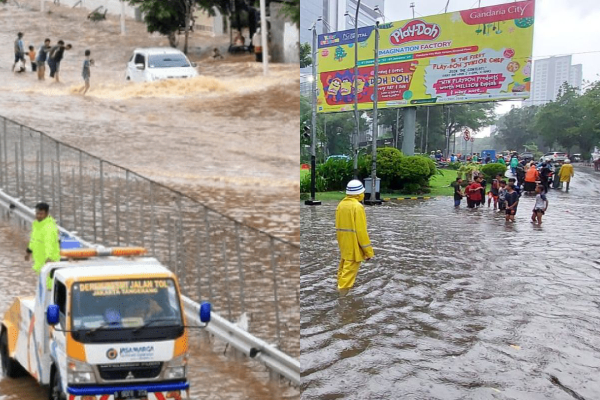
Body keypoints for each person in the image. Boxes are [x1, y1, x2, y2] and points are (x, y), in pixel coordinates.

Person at [335, 180, 374, 293]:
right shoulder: (357, 207)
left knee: (343, 271)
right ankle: (342, 298)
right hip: (354, 247)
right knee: (347, 279)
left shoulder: (341, 204)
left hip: (343, 245)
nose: (363, 194)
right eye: (362, 192)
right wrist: (368, 251)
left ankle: (339, 290)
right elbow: (361, 232)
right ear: (358, 194)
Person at [24, 203, 60, 287]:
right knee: (42, 284)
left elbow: (49, 244)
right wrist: (29, 251)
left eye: (41, 214)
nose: (38, 216)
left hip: (48, 262)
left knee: (49, 285)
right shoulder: (37, 224)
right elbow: (33, 240)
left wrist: (49, 259)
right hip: (40, 262)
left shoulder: (49, 228)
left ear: (46, 214)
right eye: (37, 213)